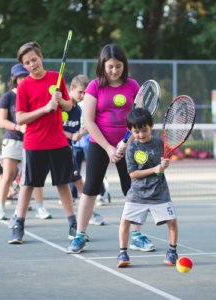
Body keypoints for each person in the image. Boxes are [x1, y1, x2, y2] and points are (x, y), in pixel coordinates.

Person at [66, 44, 155, 254]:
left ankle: (137, 235)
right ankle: (79, 236)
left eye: (118, 66)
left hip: (129, 146)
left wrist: (127, 144)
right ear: (102, 66)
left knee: (132, 191)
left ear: (124, 65)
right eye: (110, 66)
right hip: (100, 144)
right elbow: (88, 121)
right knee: (89, 190)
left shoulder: (133, 86)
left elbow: (140, 119)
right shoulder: (94, 87)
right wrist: (108, 148)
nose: (114, 71)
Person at [8, 41, 86, 244]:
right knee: (27, 184)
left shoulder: (56, 78)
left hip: (58, 141)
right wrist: (44, 108)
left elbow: (69, 106)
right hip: (34, 143)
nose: (32, 64)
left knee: (63, 182)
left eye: (34, 59)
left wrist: (59, 101)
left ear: (41, 57)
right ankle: (19, 224)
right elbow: (20, 118)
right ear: (24, 66)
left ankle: (73, 224)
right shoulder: (23, 86)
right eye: (27, 63)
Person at [117, 108, 178, 267]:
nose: (141, 135)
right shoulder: (131, 148)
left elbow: (163, 162)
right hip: (137, 193)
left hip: (160, 192)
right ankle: (122, 254)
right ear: (130, 130)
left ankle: (172, 251)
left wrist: (165, 164)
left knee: (172, 221)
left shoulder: (160, 143)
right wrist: (154, 169)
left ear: (151, 125)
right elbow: (132, 174)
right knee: (124, 222)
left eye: (144, 130)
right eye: (136, 132)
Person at [0, 63, 51, 221]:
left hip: (33, 140)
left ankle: (40, 208)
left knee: (35, 176)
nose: (24, 79)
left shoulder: (34, 93)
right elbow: (3, 121)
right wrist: (19, 128)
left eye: (26, 75)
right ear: (13, 79)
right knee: (8, 175)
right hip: (13, 140)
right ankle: (0, 208)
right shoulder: (7, 97)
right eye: (20, 76)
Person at [63, 74, 105, 226]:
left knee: (79, 182)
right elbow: (52, 129)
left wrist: (79, 134)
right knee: (31, 184)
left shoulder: (79, 111)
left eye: (86, 93)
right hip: (49, 148)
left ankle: (90, 214)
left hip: (66, 151)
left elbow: (74, 136)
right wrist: (72, 135)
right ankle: (18, 216)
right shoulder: (62, 106)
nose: (83, 95)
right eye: (80, 92)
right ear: (71, 89)